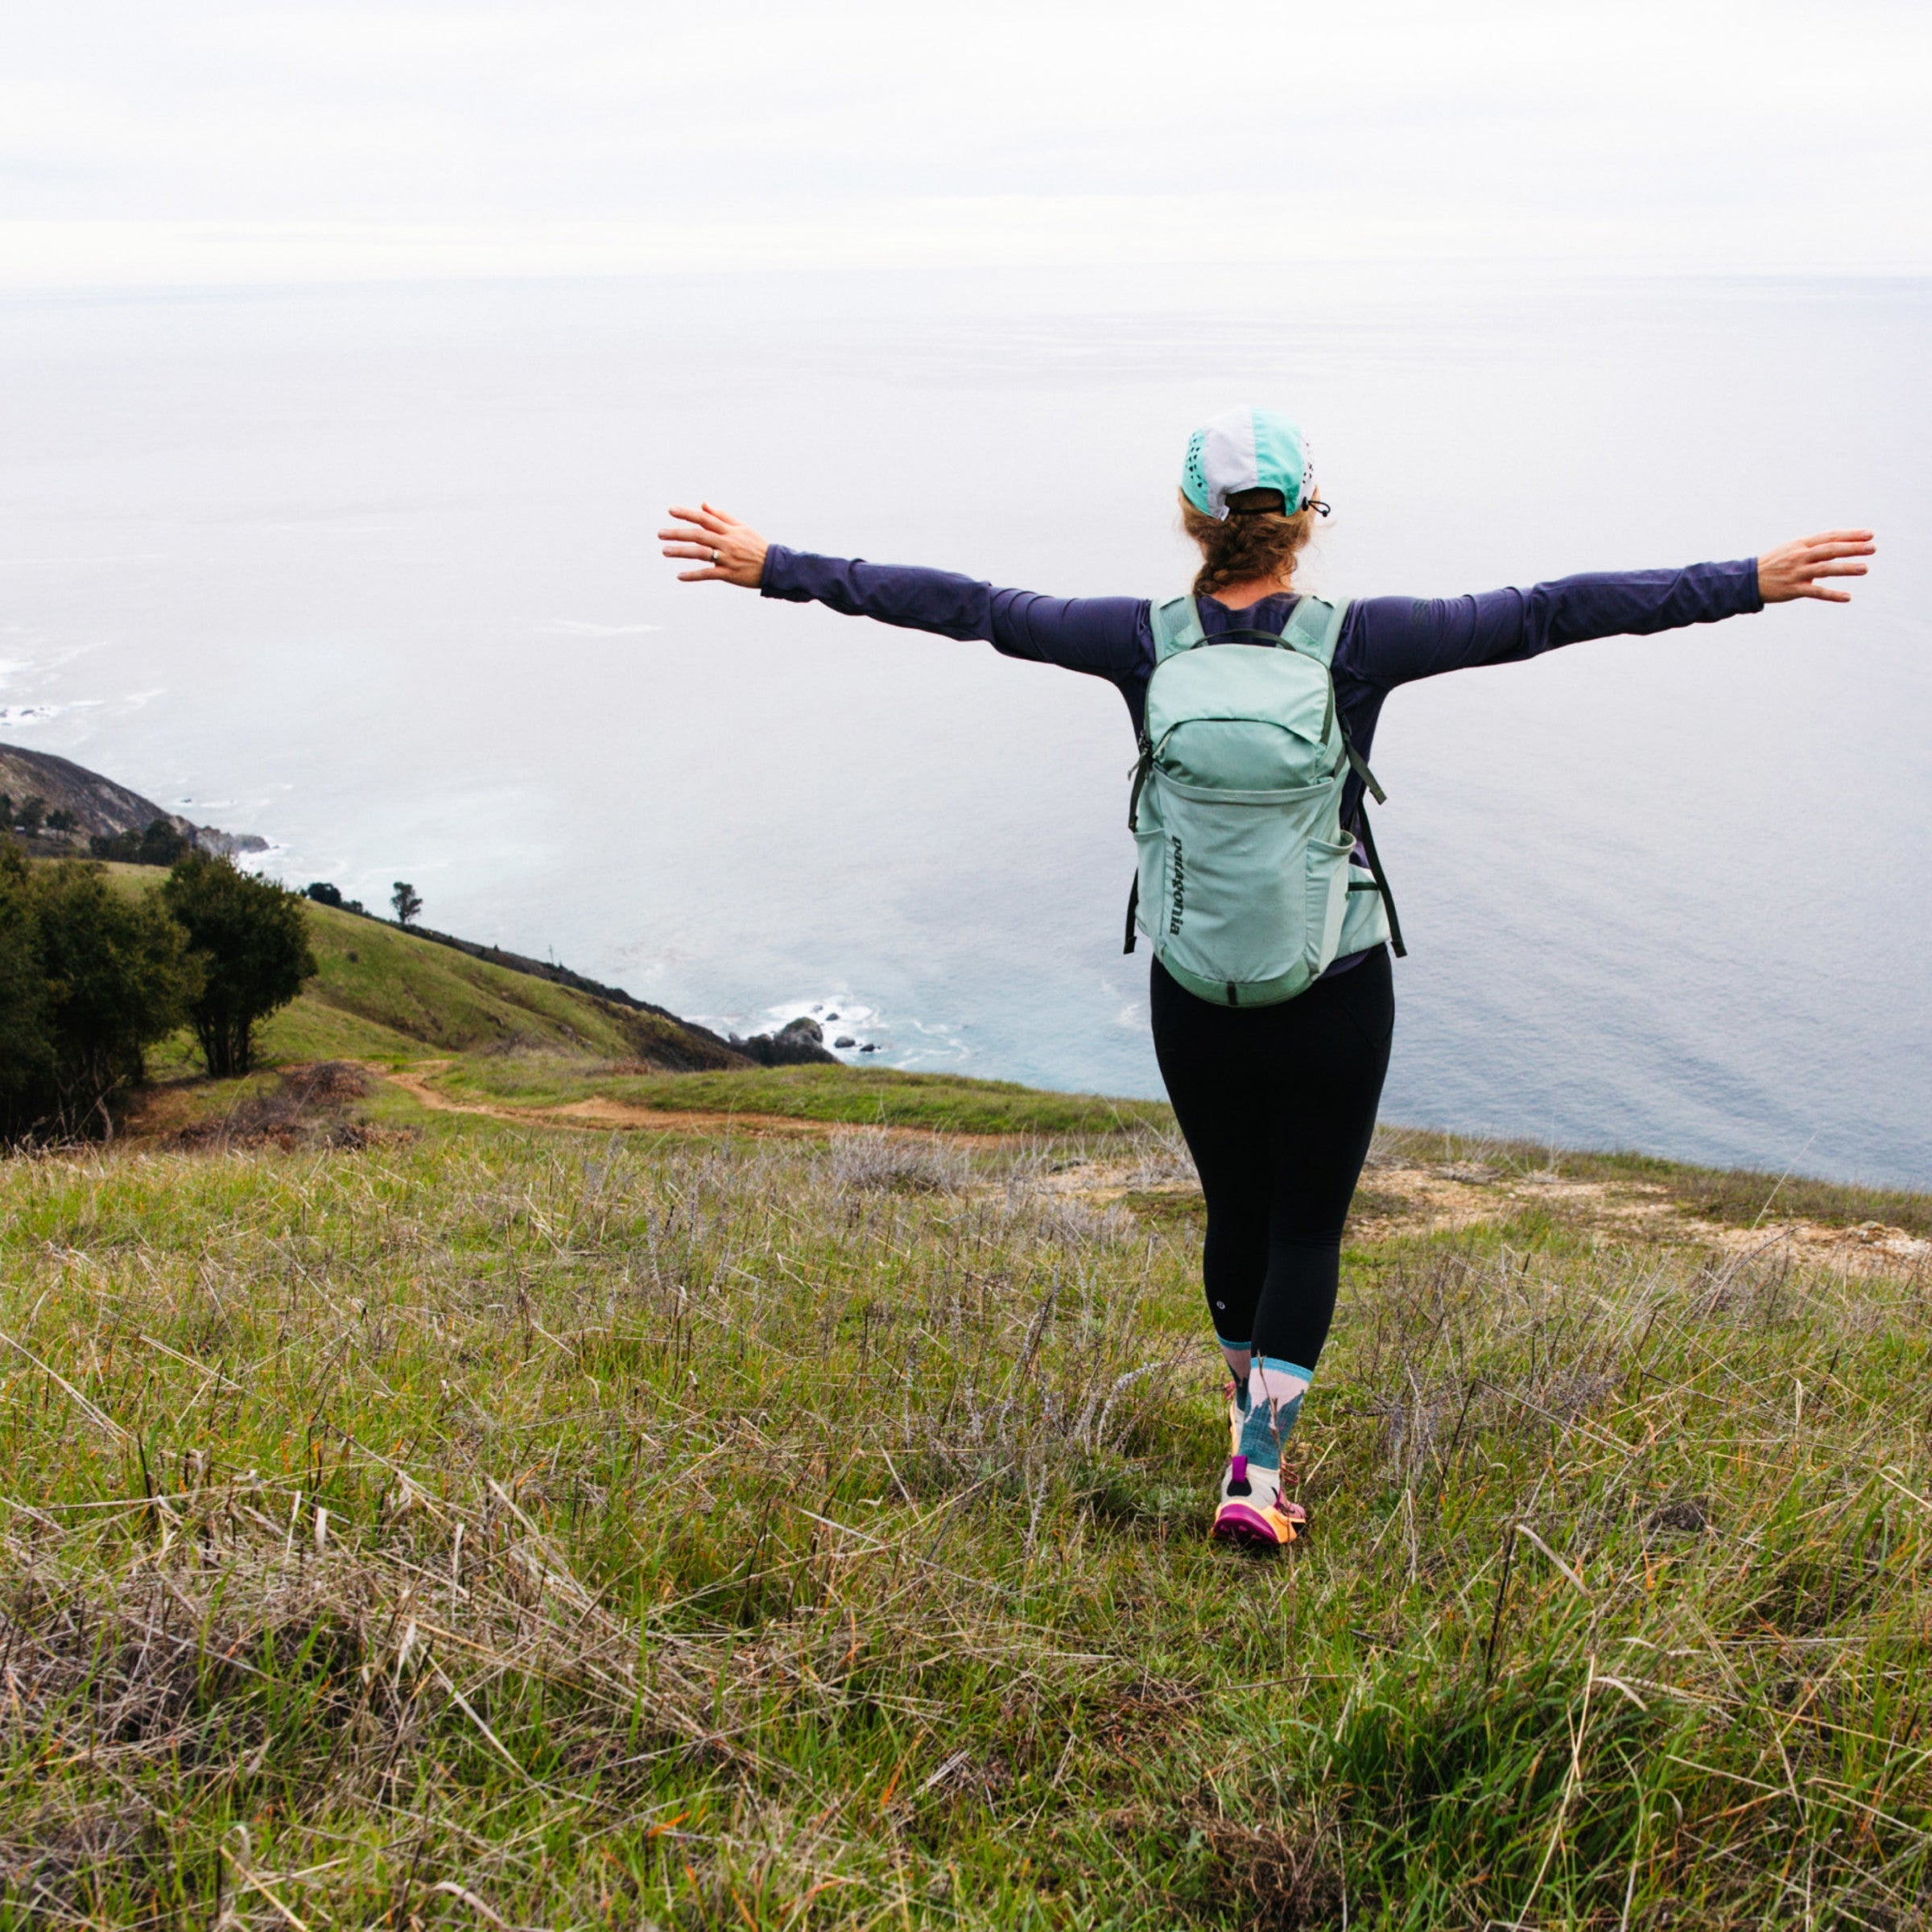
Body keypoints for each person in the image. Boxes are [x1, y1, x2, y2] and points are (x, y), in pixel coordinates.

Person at [660, 404, 1875, 1548]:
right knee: (1306, 1226)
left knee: (1235, 1212)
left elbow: (967, 607)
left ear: (1193, 520)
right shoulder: (1364, 643)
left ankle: (1248, 1438)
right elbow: (1551, 611)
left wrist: (776, 565)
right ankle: (1259, 1470)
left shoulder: (1138, 641)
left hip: (1195, 986)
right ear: (1305, 520)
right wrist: (1745, 582)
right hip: (1334, 982)